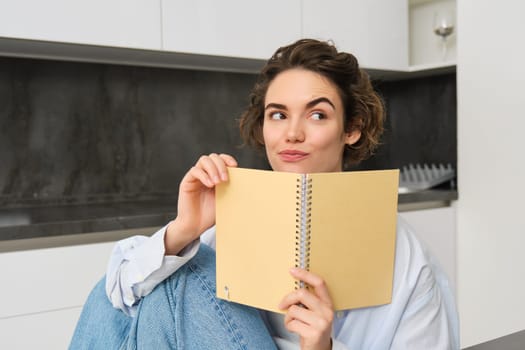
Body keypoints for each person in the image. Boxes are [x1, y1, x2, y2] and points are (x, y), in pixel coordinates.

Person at [70, 39, 460, 349]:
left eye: (317, 114)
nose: (292, 133)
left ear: (352, 128)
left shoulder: (408, 261)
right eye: (278, 114)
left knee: (181, 275)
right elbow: (118, 297)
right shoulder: (226, 225)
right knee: (146, 287)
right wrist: (184, 231)